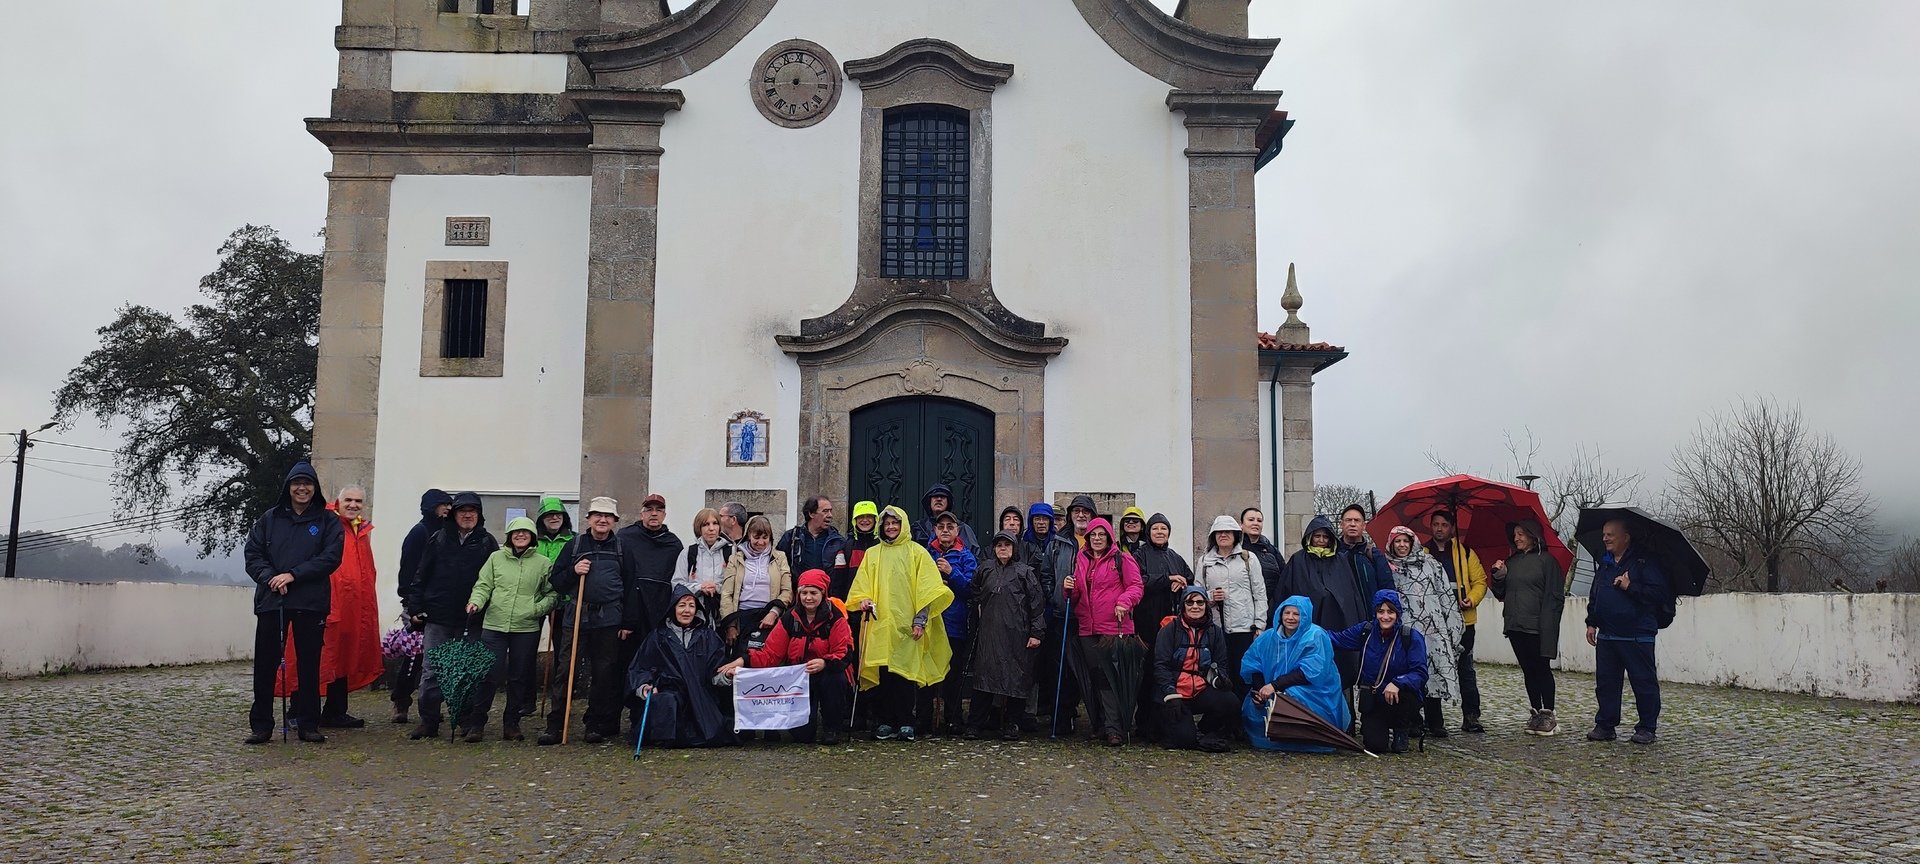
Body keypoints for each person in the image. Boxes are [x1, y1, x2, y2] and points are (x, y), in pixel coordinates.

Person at [242, 462, 345, 744]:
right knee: (265, 664)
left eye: (308, 483)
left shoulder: (328, 521)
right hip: (272, 601)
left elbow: (330, 558)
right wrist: (271, 577)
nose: (302, 488)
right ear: (288, 487)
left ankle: (308, 724)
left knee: (309, 665)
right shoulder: (269, 519)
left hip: (311, 603)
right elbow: (253, 554)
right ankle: (261, 725)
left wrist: (293, 575)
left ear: (315, 488)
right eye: (297, 483)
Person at [275, 485, 384, 730]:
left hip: (352, 608)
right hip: (323, 603)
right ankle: (298, 709)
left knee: (343, 658)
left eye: (358, 501)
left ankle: (335, 711)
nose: (353, 505)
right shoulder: (323, 524)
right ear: (338, 500)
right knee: (308, 656)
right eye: (348, 500)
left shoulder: (360, 531)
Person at [847, 506, 953, 742]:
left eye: (895, 523)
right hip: (880, 625)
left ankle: (906, 720)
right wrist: (863, 600)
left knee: (905, 675)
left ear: (903, 524)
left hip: (907, 626)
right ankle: (885, 721)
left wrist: (920, 621)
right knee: (884, 674)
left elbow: (928, 590)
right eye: (887, 524)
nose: (891, 527)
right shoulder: (873, 554)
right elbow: (862, 585)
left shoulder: (917, 553)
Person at [540, 496, 640, 746]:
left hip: (609, 620)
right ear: (589, 518)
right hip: (576, 618)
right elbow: (557, 581)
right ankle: (556, 725)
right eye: (597, 515)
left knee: (603, 673)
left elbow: (631, 587)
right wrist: (574, 571)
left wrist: (627, 622)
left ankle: (593, 724)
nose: (602, 520)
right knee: (566, 671)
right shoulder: (574, 546)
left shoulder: (622, 548)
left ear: (615, 521)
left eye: (607, 516)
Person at [403, 491, 499, 740]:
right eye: (462, 511)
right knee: (432, 671)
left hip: (472, 618)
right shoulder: (437, 539)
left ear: (479, 515)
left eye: (473, 511)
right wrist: (415, 608)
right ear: (454, 514)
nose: (467, 515)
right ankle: (429, 721)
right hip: (438, 616)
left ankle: (466, 720)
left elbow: (495, 582)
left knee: (468, 671)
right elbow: (420, 575)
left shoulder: (488, 543)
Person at [463, 516, 557, 742]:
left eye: (525, 532)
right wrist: (476, 601)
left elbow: (552, 594)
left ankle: (511, 723)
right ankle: (477, 724)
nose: (520, 536)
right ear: (509, 536)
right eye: (516, 532)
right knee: (487, 674)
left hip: (526, 628)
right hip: (494, 624)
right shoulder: (495, 558)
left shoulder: (543, 563)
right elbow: (484, 585)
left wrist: (536, 609)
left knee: (519, 677)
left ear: (532, 536)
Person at [1585, 518, 1667, 745]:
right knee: (1606, 683)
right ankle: (1605, 725)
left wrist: (1630, 587)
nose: (1605, 538)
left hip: (1637, 634)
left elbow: (1658, 595)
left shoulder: (1645, 562)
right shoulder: (1605, 563)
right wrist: (1591, 622)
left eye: (1610, 534)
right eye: (1604, 534)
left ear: (1625, 537)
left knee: (1643, 682)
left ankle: (1646, 727)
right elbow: (1596, 594)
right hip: (1608, 635)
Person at [1063, 517, 1144, 745]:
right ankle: (1100, 725)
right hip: (1087, 628)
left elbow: (1136, 586)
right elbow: (1076, 595)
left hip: (1114, 627)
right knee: (1095, 679)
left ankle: (1114, 729)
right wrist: (1067, 588)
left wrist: (1124, 601)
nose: (1097, 539)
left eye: (1102, 535)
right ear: (1087, 538)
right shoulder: (1081, 559)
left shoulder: (1122, 559)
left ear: (1109, 537)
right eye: (1093, 535)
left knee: (1111, 679)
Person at [748, 569, 853, 744]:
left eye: (813, 593)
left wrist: (825, 662)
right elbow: (771, 654)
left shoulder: (836, 617)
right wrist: (743, 660)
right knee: (802, 737)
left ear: (823, 593)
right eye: (804, 593)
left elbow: (844, 652)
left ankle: (832, 727)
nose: (808, 598)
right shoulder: (790, 618)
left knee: (835, 680)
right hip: (799, 677)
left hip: (829, 671)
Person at [1282, 515, 1367, 726]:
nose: (1320, 540)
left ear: (1331, 539)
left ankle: (1345, 720)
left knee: (1339, 671)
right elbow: (1286, 591)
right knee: (1308, 668)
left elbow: (1351, 594)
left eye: (1324, 537)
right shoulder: (1298, 560)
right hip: (1307, 627)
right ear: (1309, 538)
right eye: (1316, 536)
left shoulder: (1340, 561)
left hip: (1337, 626)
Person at [630, 585, 737, 748]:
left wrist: (727, 676)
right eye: (682, 605)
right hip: (671, 693)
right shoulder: (658, 637)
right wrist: (644, 686)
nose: (687, 611)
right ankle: (666, 737)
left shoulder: (708, 637)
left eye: (691, 606)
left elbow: (717, 670)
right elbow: (641, 667)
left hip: (701, 697)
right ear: (673, 608)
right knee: (666, 700)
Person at [1241, 595, 1350, 752]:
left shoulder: (1315, 636)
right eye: (1287, 613)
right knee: (1257, 705)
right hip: (1274, 687)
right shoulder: (1268, 637)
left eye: (1296, 614)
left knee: (1291, 695)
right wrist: (1260, 691)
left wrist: (1274, 686)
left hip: (1312, 689)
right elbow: (1254, 664)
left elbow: (1310, 672)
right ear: (1280, 614)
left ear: (1305, 616)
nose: (1291, 618)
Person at [1383, 525, 1463, 738]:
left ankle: (1435, 720)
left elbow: (1445, 593)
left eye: (1405, 541)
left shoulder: (1431, 564)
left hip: (1433, 626)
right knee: (1410, 672)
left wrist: (1452, 623)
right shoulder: (1388, 566)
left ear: (1413, 543)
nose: (1402, 545)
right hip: (1406, 628)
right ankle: (1412, 720)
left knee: (1434, 670)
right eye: (1397, 541)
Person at [1328, 590, 1429, 754]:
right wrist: (1306, 630)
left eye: (1390, 612)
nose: (1385, 617)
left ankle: (1401, 729)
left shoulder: (1410, 637)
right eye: (1381, 612)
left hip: (1400, 697)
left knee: (1404, 695)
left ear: (1397, 613)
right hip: (1375, 697)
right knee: (1375, 745)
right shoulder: (1366, 631)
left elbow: (1420, 672)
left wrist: (1398, 682)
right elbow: (1337, 639)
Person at [966, 532, 1046, 740]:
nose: (1003, 548)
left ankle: (1012, 723)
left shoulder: (1024, 572)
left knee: (1015, 680)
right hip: (989, 633)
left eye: (1007, 545)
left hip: (1017, 635)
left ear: (1015, 548)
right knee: (984, 678)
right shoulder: (985, 569)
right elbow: (974, 591)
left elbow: (1037, 604)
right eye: (999, 545)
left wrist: (1036, 632)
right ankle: (975, 723)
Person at [1491, 520, 1566, 736]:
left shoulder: (1547, 561)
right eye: (1515, 535)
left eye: (1521, 534)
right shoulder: (1511, 561)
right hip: (1515, 625)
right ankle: (1535, 712)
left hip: (1538, 626)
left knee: (1541, 669)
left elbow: (1554, 597)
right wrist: (1499, 575)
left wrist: (1548, 626)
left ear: (1534, 536)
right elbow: (1500, 593)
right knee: (1528, 670)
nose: (1517, 538)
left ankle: (1548, 713)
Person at [1036, 495, 1097, 733]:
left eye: (1086, 511)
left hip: (1091, 618)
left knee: (1091, 670)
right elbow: (1047, 573)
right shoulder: (1057, 543)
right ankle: (1062, 718)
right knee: (1061, 670)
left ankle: (1098, 721)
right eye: (1076, 511)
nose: (1081, 515)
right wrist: (1054, 597)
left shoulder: (1099, 540)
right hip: (1064, 615)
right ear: (1071, 515)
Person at [391, 488, 452, 724]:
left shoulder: (447, 532)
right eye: (442, 504)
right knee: (415, 656)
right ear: (431, 506)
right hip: (418, 602)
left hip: (441, 603)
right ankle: (401, 700)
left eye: (449, 504)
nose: (447, 508)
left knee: (438, 657)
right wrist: (408, 600)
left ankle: (432, 704)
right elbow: (407, 568)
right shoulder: (419, 532)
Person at [1130, 512, 1192, 742]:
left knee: (1167, 673)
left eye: (1163, 529)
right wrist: (1167, 580)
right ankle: (1144, 724)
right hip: (1146, 624)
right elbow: (1138, 581)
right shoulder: (1139, 555)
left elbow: (1189, 577)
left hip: (1171, 625)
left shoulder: (1175, 556)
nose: (1159, 532)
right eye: (1155, 529)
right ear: (1149, 532)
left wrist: (1181, 583)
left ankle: (1165, 723)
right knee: (1146, 676)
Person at [1426, 509, 1489, 733]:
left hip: (1463, 621)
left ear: (1452, 527)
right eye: (1436, 524)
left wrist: (1471, 599)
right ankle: (1434, 722)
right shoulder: (1423, 553)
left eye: (1444, 524)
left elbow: (1480, 581)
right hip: (1432, 622)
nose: (1439, 528)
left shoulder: (1465, 553)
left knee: (1465, 669)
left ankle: (1471, 716)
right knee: (1432, 669)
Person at [1153, 586, 1235, 752]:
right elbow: (1160, 666)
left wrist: (1220, 680)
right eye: (1190, 602)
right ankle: (1181, 728)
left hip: (1200, 688)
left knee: (1230, 701)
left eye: (1200, 602)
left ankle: (1208, 728)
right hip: (1175, 691)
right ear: (1183, 605)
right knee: (1185, 740)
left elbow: (1221, 663)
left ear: (1206, 605)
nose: (1195, 606)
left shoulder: (1215, 632)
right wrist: (1170, 693)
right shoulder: (1169, 630)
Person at [1194, 514, 1267, 694]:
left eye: (1227, 531)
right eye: (1219, 532)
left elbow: (1259, 593)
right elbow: (1197, 593)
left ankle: (1244, 718)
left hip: (1244, 628)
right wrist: (1211, 596)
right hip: (1216, 628)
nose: (1223, 535)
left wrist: (1260, 625)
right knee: (1220, 676)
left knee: (1243, 676)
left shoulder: (1248, 559)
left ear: (1236, 535)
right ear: (1213, 536)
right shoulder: (1204, 561)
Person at [920, 510, 976, 735]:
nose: (945, 530)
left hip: (955, 624)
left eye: (949, 527)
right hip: (930, 623)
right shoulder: (925, 554)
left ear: (957, 531)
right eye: (940, 526)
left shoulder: (966, 556)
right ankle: (924, 720)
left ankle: (953, 719)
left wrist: (952, 573)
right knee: (926, 675)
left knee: (953, 677)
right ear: (934, 530)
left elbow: (971, 590)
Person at [721, 515, 794, 646]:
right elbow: (727, 593)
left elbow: (787, 590)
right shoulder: (735, 558)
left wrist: (774, 612)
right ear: (749, 535)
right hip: (742, 617)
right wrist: (730, 625)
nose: (760, 542)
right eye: (756, 537)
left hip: (768, 616)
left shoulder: (780, 558)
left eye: (765, 538)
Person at [777, 495, 849, 595]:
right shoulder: (791, 538)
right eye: (825, 511)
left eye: (830, 511)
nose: (830, 515)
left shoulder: (838, 541)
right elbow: (779, 568)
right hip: (799, 598)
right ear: (811, 513)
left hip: (827, 600)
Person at [678, 508, 732, 625]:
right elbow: (677, 585)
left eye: (715, 523)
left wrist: (716, 588)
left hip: (723, 617)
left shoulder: (731, 552)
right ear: (699, 528)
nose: (711, 528)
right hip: (695, 617)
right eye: (706, 524)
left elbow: (737, 586)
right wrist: (699, 587)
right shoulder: (688, 553)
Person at [1335, 504, 1396, 596]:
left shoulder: (1375, 555)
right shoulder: (1332, 555)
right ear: (1341, 524)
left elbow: (1387, 590)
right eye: (1348, 520)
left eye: (1357, 520)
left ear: (1364, 526)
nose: (1352, 524)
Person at [1238, 507, 1285, 606]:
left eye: (1259, 520)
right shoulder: (1235, 550)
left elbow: (1284, 579)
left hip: (1269, 608)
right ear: (1241, 524)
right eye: (1251, 520)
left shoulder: (1272, 551)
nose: (1255, 523)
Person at [912, 482, 980, 549]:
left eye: (943, 497)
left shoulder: (962, 528)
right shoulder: (919, 528)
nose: (939, 499)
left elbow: (973, 555)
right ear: (929, 501)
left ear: (948, 502)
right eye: (935, 496)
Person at [533, 497, 574, 562]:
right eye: (550, 514)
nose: (555, 517)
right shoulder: (532, 541)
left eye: (558, 514)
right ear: (542, 518)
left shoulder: (574, 540)